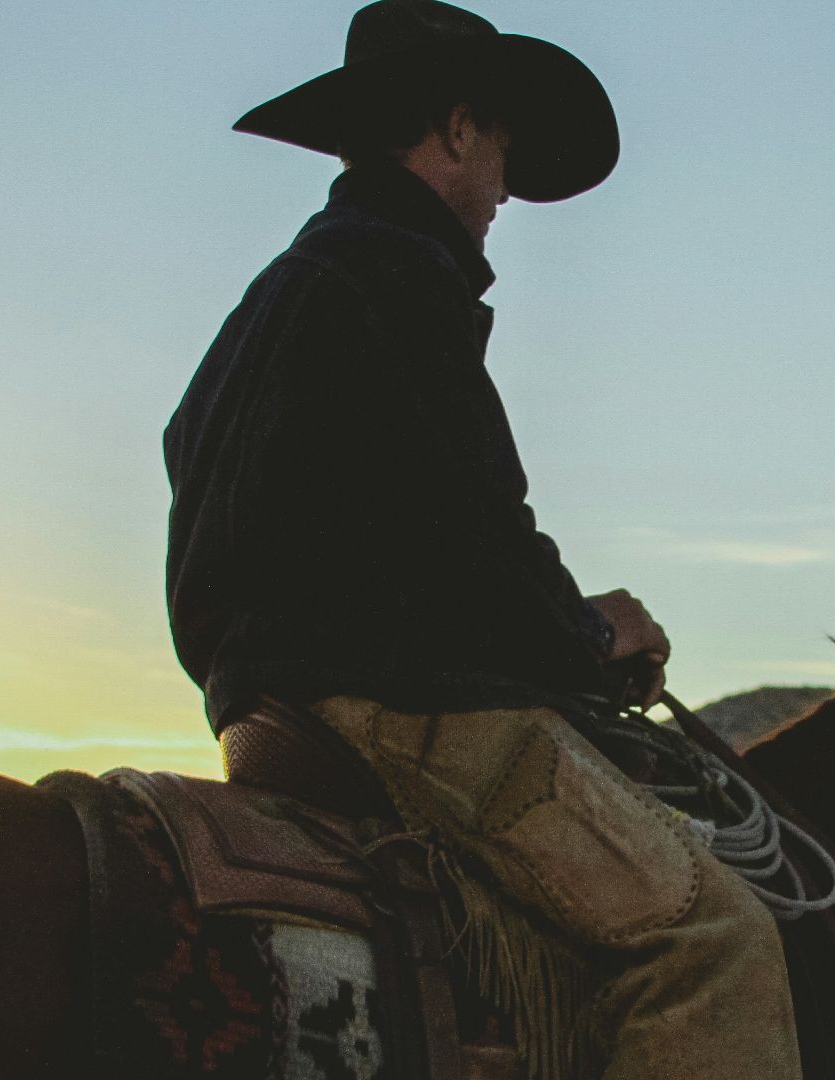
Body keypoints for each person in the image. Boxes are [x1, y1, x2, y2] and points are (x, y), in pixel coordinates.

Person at [161, 2, 801, 1078]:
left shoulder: (276, 297)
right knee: (714, 937)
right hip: (398, 706)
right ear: (457, 129)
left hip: (258, 703)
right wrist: (588, 634)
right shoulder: (398, 273)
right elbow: (478, 534)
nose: (506, 188)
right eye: (501, 146)